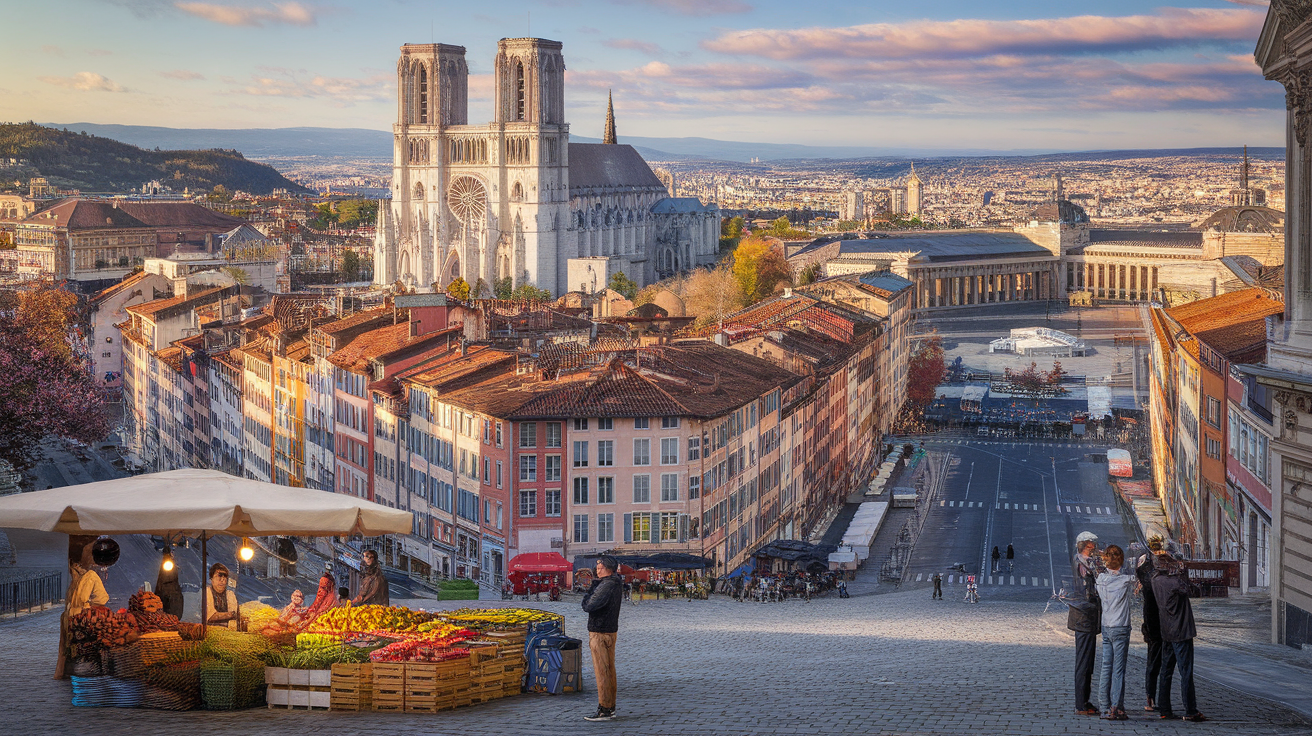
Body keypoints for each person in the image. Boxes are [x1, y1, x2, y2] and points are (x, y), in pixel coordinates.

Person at [1153, 552, 1207, 722]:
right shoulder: (1175, 582)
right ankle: (1190, 710)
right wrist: (1183, 572)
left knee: (1166, 671)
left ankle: (1164, 709)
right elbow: (1193, 590)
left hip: (1166, 631)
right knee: (1186, 672)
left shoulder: (1156, 580)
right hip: (1181, 631)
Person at [56, 535, 105, 678]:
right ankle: (66, 671)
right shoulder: (76, 574)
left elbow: (102, 598)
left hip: (80, 616)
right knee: (68, 647)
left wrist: (88, 607)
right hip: (70, 616)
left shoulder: (91, 576)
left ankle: (76, 671)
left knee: (77, 646)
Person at [582, 556, 623, 722]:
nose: (597, 569)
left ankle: (605, 709)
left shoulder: (607, 584)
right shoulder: (614, 582)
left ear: (608, 568)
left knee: (602, 671)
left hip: (600, 631)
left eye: (600, 567)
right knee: (609, 670)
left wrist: (589, 593)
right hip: (610, 629)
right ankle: (609, 707)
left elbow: (589, 605)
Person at [1096, 545, 1134, 721]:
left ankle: (1104, 706)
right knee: (1118, 670)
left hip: (1106, 626)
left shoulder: (1100, 580)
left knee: (1106, 667)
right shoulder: (1126, 580)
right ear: (1121, 560)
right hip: (1121, 627)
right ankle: (1116, 707)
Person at [1068, 531, 1102, 716]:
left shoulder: (1083, 561)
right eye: (1092, 545)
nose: (1095, 548)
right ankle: (1080, 704)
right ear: (1086, 546)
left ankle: (1085, 700)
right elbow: (1088, 589)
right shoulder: (1082, 563)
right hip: (1084, 616)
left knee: (1088, 662)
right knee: (1083, 661)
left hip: (1087, 616)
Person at [1136, 536, 1166, 712]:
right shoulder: (1156, 568)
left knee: (1153, 661)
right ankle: (1155, 698)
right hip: (1159, 620)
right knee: (1159, 661)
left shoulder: (1145, 565)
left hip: (1152, 619)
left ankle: (1152, 697)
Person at [205, 563, 239, 629]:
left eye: (225, 576)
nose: (222, 580)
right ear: (211, 580)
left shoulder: (230, 594)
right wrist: (231, 614)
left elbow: (234, 613)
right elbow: (210, 616)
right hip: (211, 630)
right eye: (219, 576)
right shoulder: (207, 592)